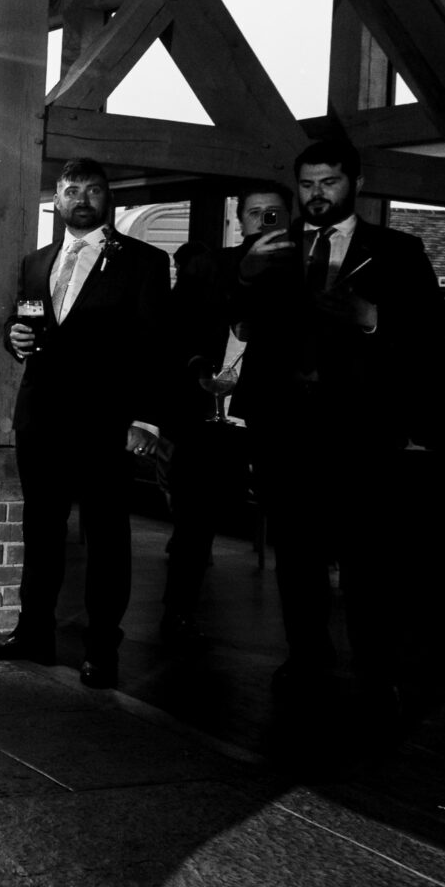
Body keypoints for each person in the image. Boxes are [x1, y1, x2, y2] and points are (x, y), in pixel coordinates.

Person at [233, 139, 445, 707]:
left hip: (358, 426)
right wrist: (247, 275)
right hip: (283, 423)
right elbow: (235, 321)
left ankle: (375, 665)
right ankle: (305, 655)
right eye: (306, 185)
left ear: (355, 182)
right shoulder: (269, 248)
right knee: (296, 552)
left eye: (328, 182)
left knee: (366, 554)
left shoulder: (398, 250)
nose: (316, 195)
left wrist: (372, 318)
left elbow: (431, 337)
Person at [0, 158, 171, 687]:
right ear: (59, 201)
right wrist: (12, 337)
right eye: (72, 190)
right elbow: (27, 323)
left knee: (107, 537)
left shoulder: (143, 261)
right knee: (41, 530)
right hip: (41, 418)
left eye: (93, 189)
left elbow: (156, 349)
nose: (82, 198)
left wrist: (146, 422)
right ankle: (34, 634)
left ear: (107, 198)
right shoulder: (36, 261)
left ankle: (101, 648)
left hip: (106, 422)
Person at [158, 183, 292, 643]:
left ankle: (303, 643)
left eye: (274, 213)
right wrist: (196, 365)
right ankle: (177, 612)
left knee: (294, 534)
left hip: (277, 419)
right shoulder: (210, 266)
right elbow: (175, 330)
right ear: (240, 220)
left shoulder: (307, 270)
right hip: (211, 417)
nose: (264, 222)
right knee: (193, 527)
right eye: (255, 214)